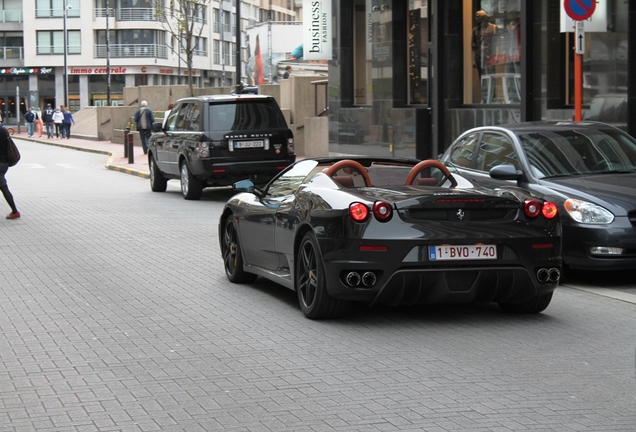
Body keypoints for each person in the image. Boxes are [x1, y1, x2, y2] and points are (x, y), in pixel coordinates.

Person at [0, 125, 20, 219]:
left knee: (3, 187)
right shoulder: (3, 130)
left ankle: (15, 211)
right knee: (3, 187)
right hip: (4, 163)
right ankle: (14, 211)